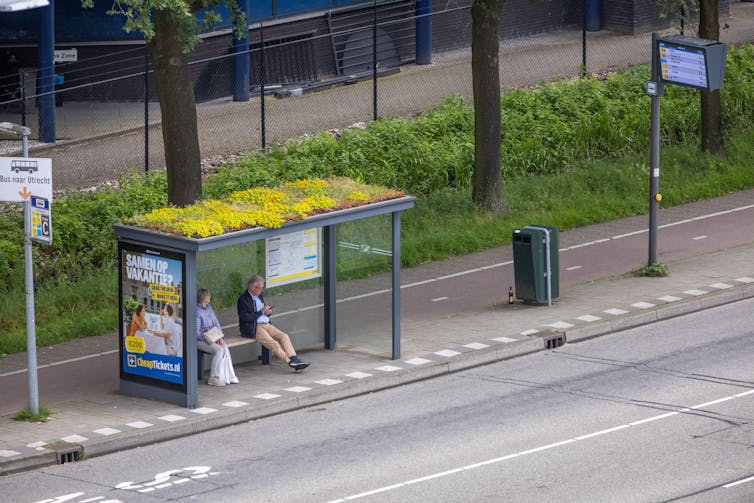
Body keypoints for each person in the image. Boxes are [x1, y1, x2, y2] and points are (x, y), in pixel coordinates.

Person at [237, 275, 310, 371]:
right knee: (274, 344)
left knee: (284, 336)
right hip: (254, 327)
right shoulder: (243, 299)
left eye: (263, 288)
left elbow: (262, 312)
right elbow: (244, 318)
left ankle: (294, 359)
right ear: (252, 288)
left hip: (266, 324)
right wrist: (261, 312)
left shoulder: (259, 296)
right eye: (260, 288)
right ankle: (290, 362)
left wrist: (268, 312)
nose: (262, 290)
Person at [196, 288, 238, 386]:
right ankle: (213, 378)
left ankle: (225, 375)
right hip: (200, 340)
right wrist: (211, 339)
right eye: (208, 295)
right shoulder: (197, 312)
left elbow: (216, 323)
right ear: (204, 298)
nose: (210, 297)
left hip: (214, 337)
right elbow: (196, 333)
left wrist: (220, 337)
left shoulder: (209, 307)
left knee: (224, 347)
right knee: (219, 350)